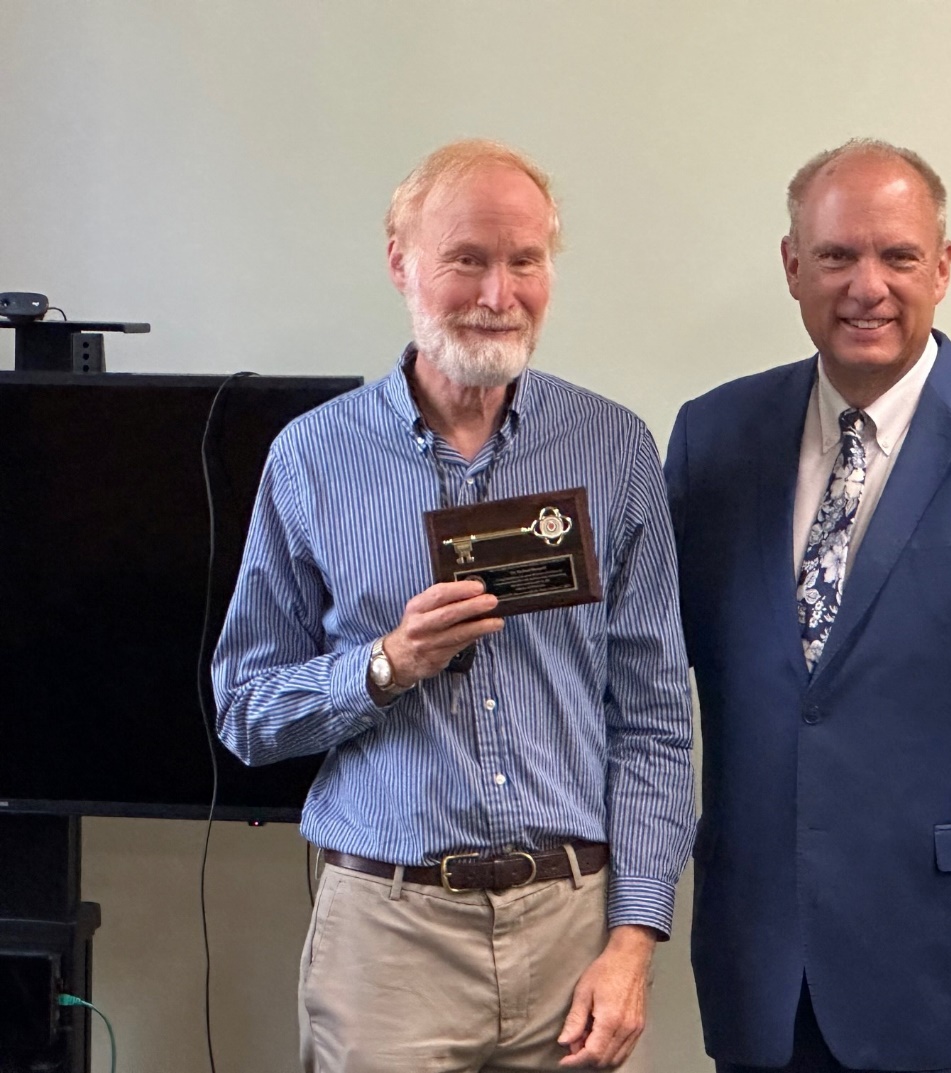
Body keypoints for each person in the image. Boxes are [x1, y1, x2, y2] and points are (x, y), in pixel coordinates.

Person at [213, 138, 695, 1073]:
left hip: (569, 923)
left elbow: (654, 722)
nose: (497, 292)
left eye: (525, 261)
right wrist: (383, 666)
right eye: (466, 258)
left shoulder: (613, 448)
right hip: (387, 939)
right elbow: (245, 711)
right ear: (401, 263)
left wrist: (634, 939)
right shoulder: (311, 458)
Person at [665, 139, 951, 1073]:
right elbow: (639, 671)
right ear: (792, 266)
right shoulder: (711, 435)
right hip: (762, 970)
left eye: (897, 256)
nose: (866, 285)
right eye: (836, 256)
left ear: (943, 267)